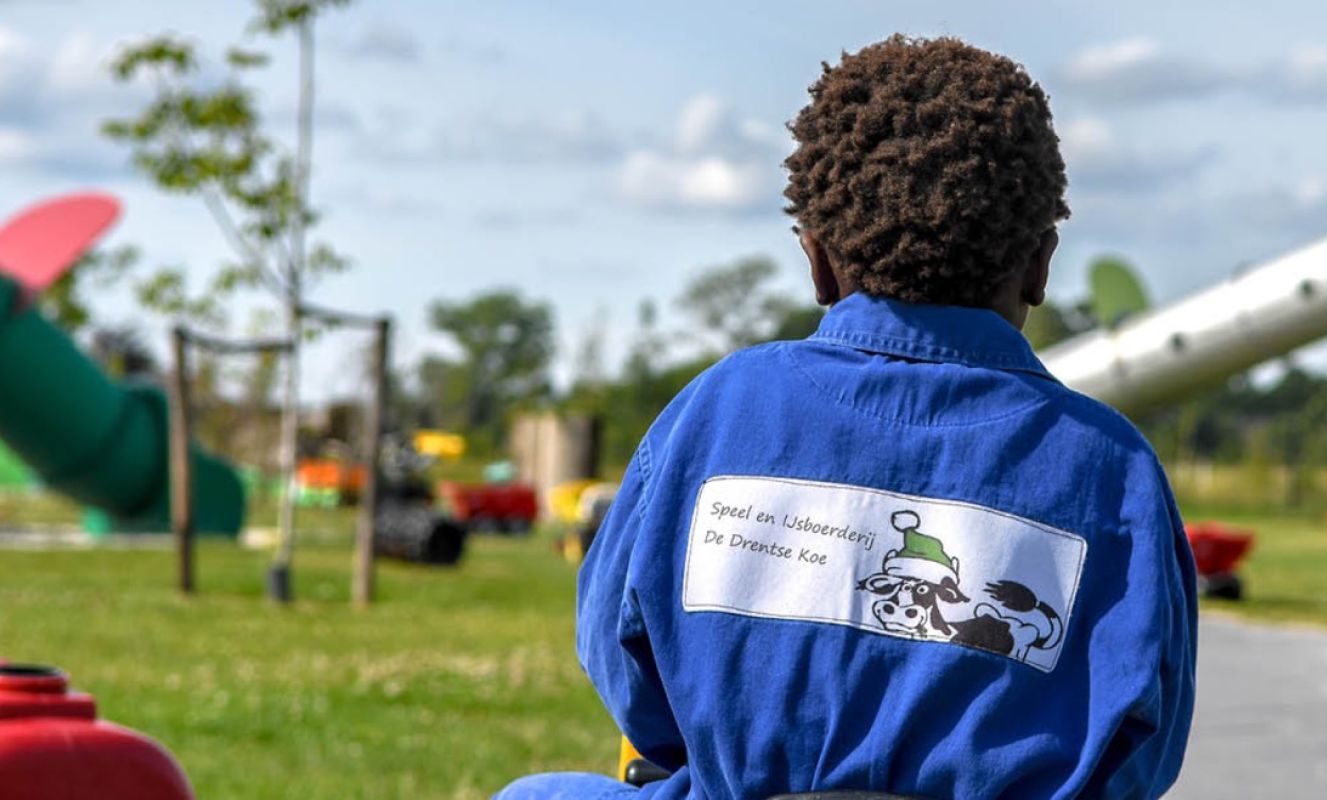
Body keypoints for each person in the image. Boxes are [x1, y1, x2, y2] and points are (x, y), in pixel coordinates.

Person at [495, 34, 1196, 800]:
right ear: (1039, 263)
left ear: (817, 260)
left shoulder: (716, 415)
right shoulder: (1111, 467)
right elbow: (1144, 749)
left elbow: (626, 669)